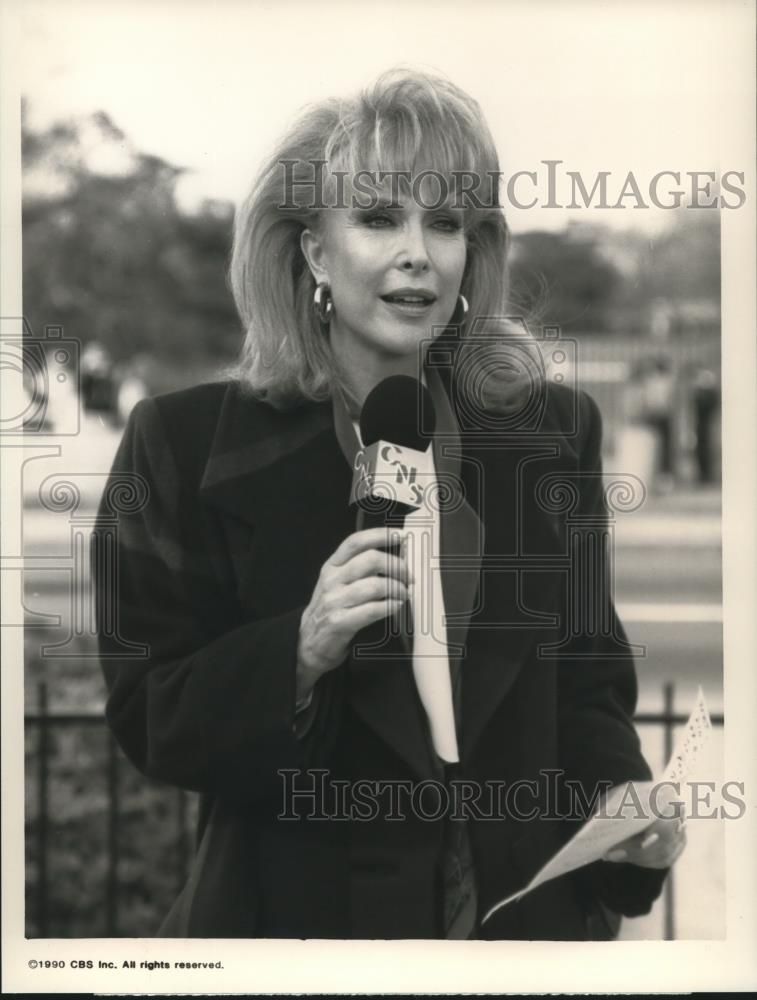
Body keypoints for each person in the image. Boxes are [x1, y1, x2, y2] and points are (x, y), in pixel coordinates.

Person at [93, 69, 685, 940]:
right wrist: (297, 651)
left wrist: (623, 812)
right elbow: (151, 717)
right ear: (313, 251)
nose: (419, 252)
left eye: (444, 223)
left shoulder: (553, 432)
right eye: (378, 218)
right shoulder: (180, 444)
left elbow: (586, 686)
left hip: (518, 931)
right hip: (297, 934)